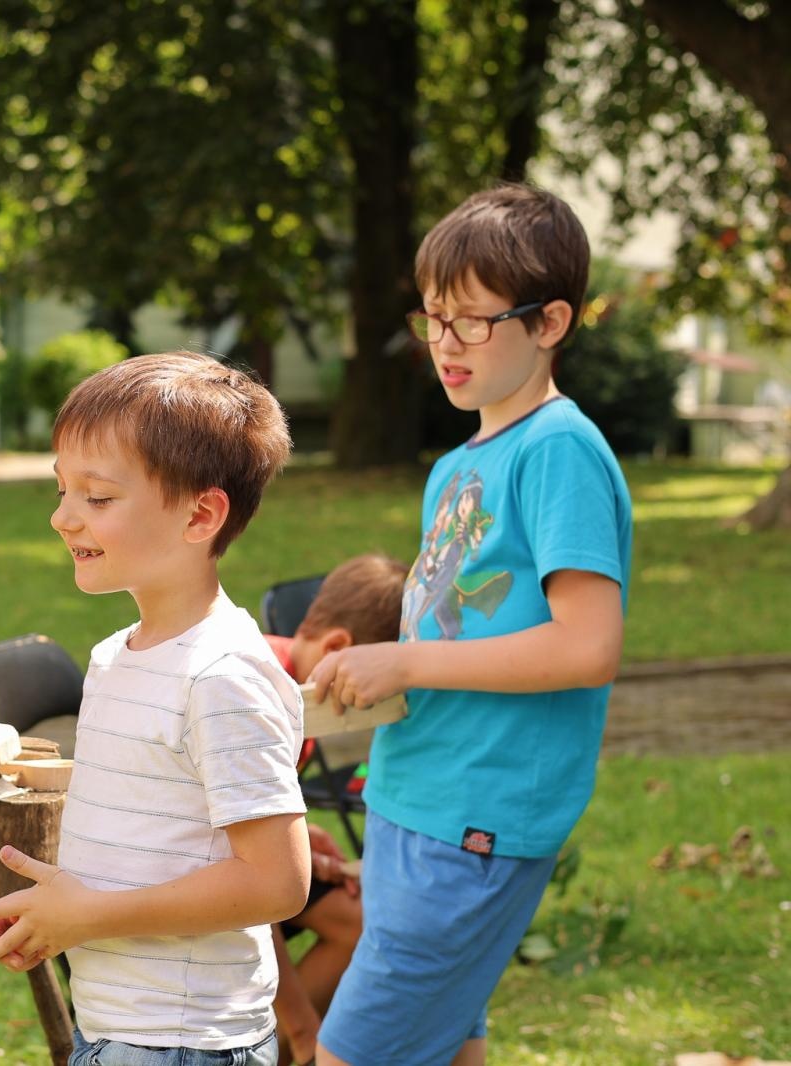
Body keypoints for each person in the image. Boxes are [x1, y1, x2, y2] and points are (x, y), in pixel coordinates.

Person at [310, 183, 633, 1066]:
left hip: (477, 819)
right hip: (416, 800)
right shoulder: (457, 465)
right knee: (453, 1048)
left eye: (473, 322)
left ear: (551, 321)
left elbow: (586, 645)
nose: (444, 345)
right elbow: (453, 623)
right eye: (433, 319)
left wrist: (406, 666)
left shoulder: (557, 450)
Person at [0, 352, 311, 1066]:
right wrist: (50, 917)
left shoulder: (221, 677)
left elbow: (277, 881)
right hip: (118, 1027)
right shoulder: (114, 658)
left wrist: (91, 915)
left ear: (200, 515)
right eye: (63, 490)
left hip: (182, 1045)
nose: (64, 518)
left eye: (97, 498)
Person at [262, 552, 408, 1066]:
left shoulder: (297, 688)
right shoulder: (261, 699)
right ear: (340, 650)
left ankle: (276, 1053)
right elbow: (250, 880)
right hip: (203, 873)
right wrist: (305, 1030)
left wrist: (302, 835)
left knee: (361, 921)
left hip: (249, 858)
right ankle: (296, 1044)